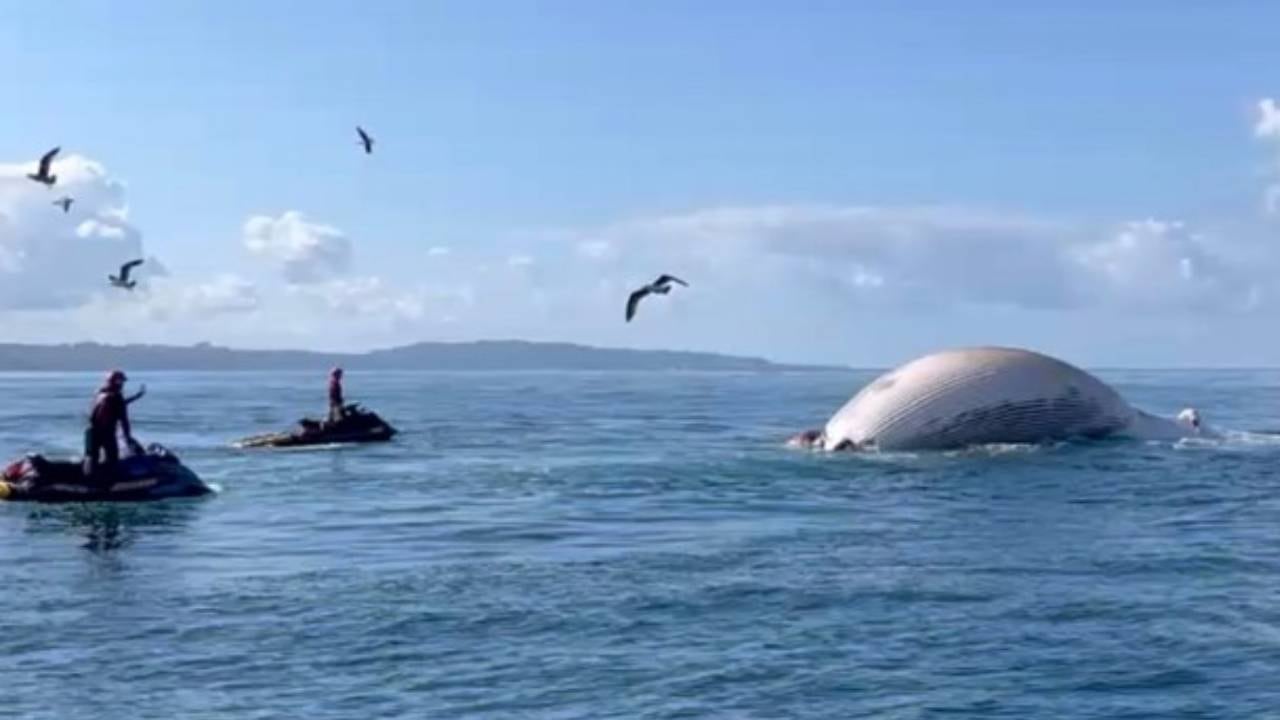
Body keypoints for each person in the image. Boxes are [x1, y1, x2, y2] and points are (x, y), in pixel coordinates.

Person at [83, 370, 143, 480]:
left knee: (91, 457)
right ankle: (109, 482)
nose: (122, 385)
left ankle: (87, 479)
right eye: (121, 382)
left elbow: (116, 404)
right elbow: (124, 419)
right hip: (106, 433)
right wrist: (127, 437)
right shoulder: (116, 398)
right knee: (112, 459)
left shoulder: (99, 393)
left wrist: (135, 397)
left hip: (90, 431)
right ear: (116, 382)